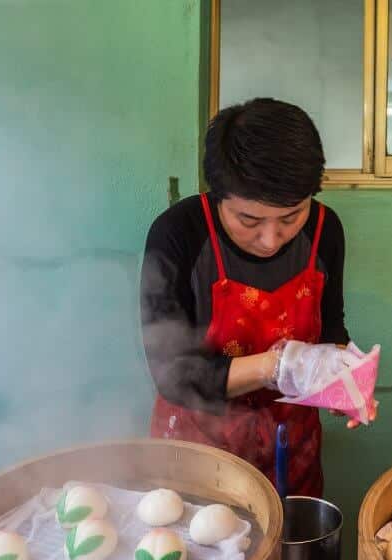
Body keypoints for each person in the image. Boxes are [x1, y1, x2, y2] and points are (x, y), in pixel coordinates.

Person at [140, 97, 377, 497]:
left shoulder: (325, 230)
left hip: (291, 451)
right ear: (217, 196)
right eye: (249, 220)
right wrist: (278, 366)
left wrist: (343, 380)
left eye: (290, 217)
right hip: (198, 457)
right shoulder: (177, 235)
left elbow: (330, 327)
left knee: (291, 554)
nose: (270, 239)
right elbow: (172, 375)